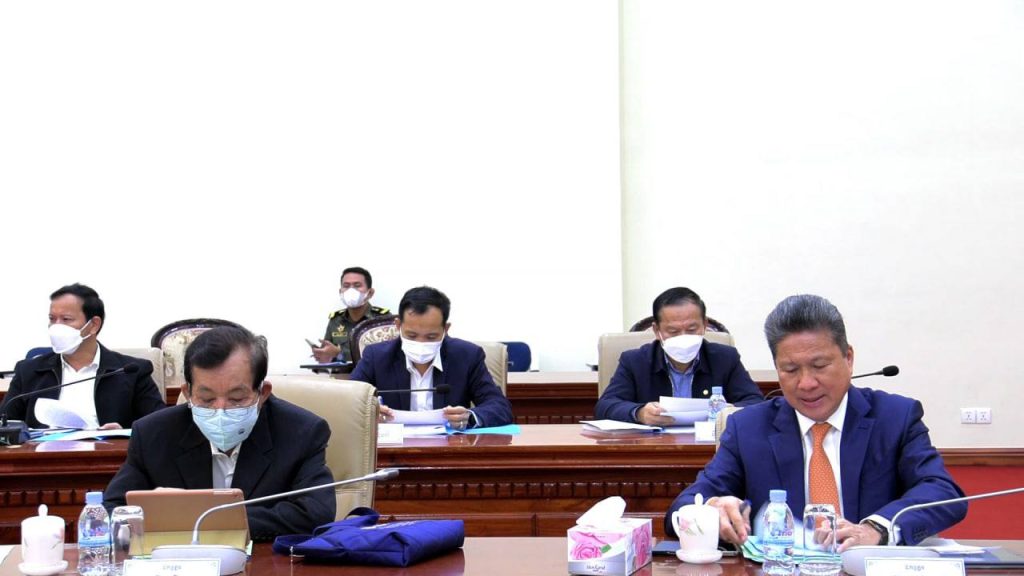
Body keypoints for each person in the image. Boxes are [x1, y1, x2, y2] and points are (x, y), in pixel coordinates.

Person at [665, 294, 966, 549]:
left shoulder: (895, 417)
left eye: (819, 365)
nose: (806, 383)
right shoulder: (748, 428)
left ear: (848, 358)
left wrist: (877, 528)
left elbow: (942, 492)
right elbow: (685, 504)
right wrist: (710, 509)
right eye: (790, 370)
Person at [105, 325, 335, 540]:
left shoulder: (301, 432)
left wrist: (200, 516)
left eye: (237, 398)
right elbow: (112, 509)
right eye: (206, 399)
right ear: (188, 392)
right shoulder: (153, 434)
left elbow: (314, 514)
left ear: (262, 393)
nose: (220, 410)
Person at [2, 283, 164, 429]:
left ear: (93, 325)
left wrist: (125, 433)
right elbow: (4, 425)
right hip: (42, 452)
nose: (56, 327)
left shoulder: (130, 372)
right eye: (52, 319)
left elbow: (160, 426)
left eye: (66, 319)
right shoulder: (29, 371)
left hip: (107, 451)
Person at [350, 286, 513, 429]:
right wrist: (369, 413)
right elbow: (349, 402)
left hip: (449, 448)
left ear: (445, 329)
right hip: (394, 448)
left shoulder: (467, 356)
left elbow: (500, 407)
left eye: (431, 337)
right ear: (398, 325)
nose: (421, 343)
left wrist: (468, 416)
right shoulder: (376, 356)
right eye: (412, 335)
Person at [595, 287, 763, 425]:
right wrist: (639, 413)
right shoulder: (635, 361)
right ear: (657, 330)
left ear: (704, 325)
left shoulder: (725, 358)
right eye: (673, 331)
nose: (684, 337)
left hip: (711, 446)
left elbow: (755, 401)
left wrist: (729, 411)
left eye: (691, 329)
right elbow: (605, 406)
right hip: (654, 447)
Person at [312, 266, 389, 363]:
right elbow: (328, 359)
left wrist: (339, 354)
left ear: (370, 293)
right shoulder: (336, 320)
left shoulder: (383, 319)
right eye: (346, 286)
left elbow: (387, 357)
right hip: (340, 373)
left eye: (357, 285)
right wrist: (324, 356)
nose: (351, 290)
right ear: (340, 292)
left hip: (372, 373)